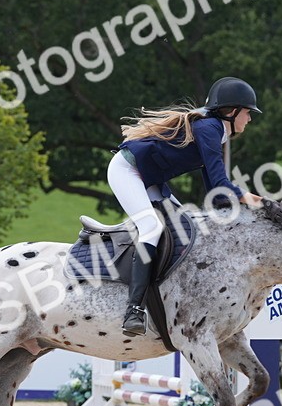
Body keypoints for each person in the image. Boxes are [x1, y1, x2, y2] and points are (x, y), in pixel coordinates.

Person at [110, 76, 272, 336]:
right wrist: (262, 202)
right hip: (127, 170)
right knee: (151, 227)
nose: (250, 119)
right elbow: (221, 185)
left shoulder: (214, 131)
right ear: (231, 112)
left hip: (151, 179)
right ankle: (133, 310)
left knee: (184, 226)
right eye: (247, 113)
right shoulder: (211, 129)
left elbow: (217, 194)